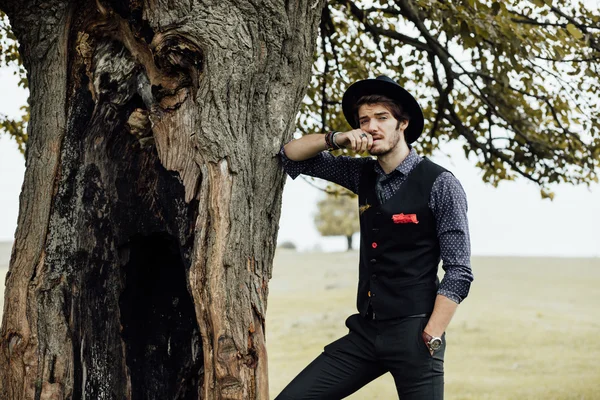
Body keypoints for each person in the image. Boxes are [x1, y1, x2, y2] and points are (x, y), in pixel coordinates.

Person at [275, 76, 474, 399]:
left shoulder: (440, 184)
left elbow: (459, 270)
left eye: (382, 118)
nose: (372, 127)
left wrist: (433, 334)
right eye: (364, 120)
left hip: (416, 333)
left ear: (403, 124)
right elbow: (290, 155)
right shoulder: (361, 173)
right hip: (366, 332)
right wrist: (337, 138)